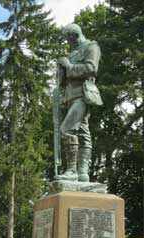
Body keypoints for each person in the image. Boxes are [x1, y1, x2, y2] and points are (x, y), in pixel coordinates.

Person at [55, 23, 102, 183]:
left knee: (66, 129)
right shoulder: (73, 52)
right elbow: (65, 79)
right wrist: (61, 70)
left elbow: (91, 68)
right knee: (82, 132)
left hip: (83, 94)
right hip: (70, 97)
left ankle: (72, 171)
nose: (67, 41)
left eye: (67, 38)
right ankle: (83, 173)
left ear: (74, 34)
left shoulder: (91, 46)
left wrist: (68, 66)